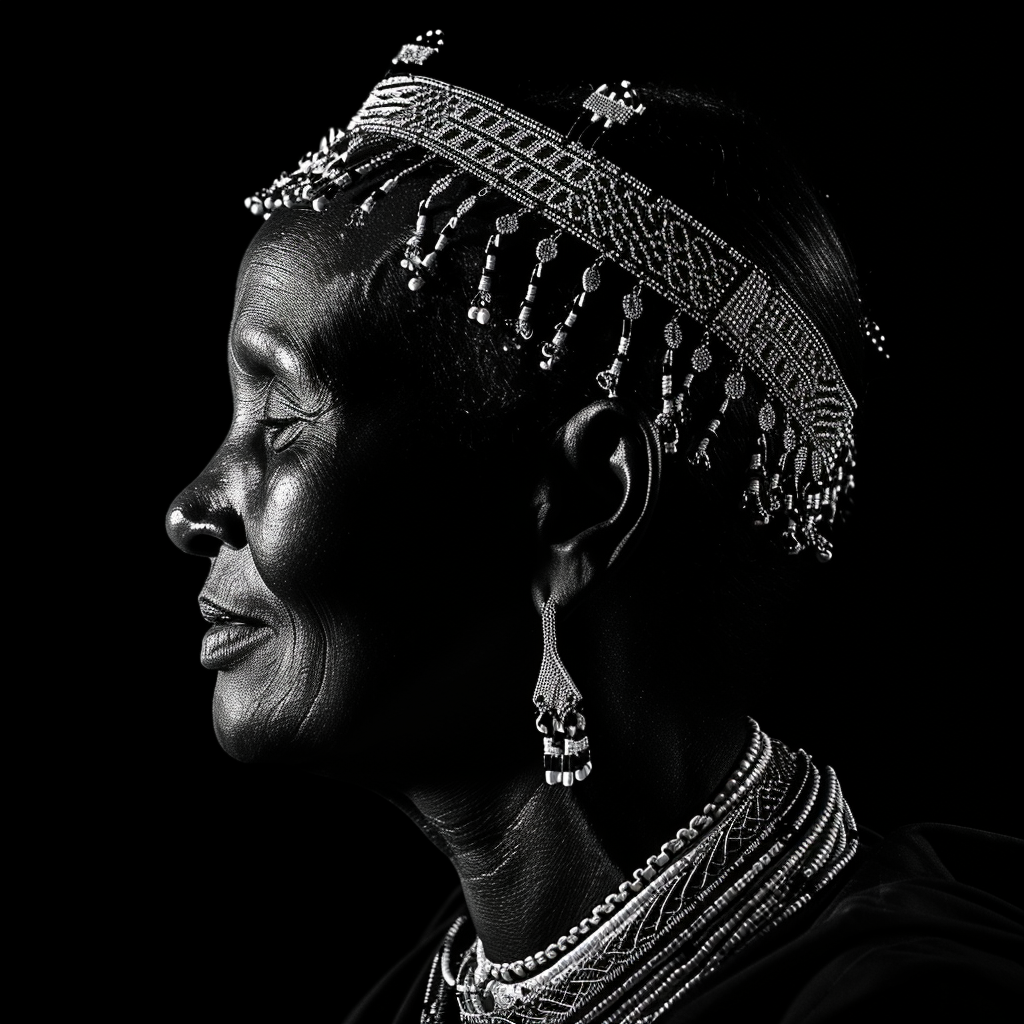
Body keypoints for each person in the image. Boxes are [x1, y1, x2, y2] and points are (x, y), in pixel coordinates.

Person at [165, 31, 1022, 1022]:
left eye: (278, 420)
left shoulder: (914, 1000)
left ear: (581, 499)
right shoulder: (410, 1002)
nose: (191, 510)